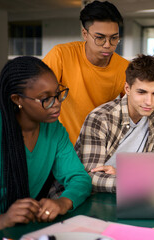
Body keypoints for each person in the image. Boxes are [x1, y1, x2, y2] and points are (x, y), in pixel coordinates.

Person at [0, 56, 92, 236]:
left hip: (23, 232)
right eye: (45, 98)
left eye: (58, 94)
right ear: (17, 99)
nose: (56, 103)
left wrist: (63, 202)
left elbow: (79, 178)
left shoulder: (55, 131)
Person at [75, 55, 154, 193]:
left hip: (132, 194)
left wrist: (122, 174)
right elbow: (89, 176)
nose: (149, 101)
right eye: (141, 92)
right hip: (93, 196)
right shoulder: (100, 119)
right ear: (127, 89)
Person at [43, 1, 129, 144]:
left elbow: (132, 112)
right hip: (62, 144)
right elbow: (37, 95)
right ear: (85, 33)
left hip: (100, 145)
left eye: (114, 38)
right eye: (100, 38)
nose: (108, 45)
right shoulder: (61, 55)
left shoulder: (125, 68)